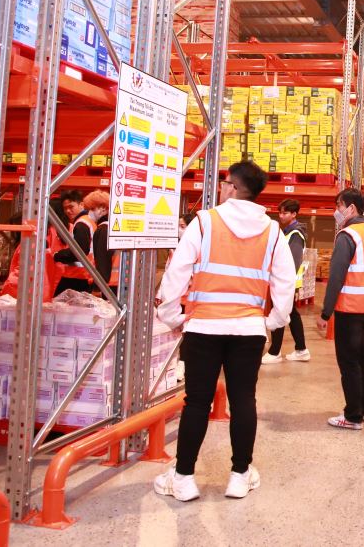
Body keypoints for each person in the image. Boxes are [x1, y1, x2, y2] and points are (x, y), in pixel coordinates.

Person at [153, 161, 295, 501]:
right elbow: (285, 282)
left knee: (197, 402)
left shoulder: (204, 223)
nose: (221, 187)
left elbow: (177, 271)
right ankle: (239, 476)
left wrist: (172, 316)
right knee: (243, 399)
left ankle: (184, 478)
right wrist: (273, 321)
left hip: (203, 326)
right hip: (248, 329)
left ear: (232, 187)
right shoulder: (272, 231)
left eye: (224, 182)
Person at [317, 188, 364, 430]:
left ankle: (353, 416)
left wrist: (326, 312)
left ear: (351, 208)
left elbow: (336, 277)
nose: (336, 211)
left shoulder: (348, 236)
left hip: (351, 308)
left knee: (348, 362)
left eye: (339, 205)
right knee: (360, 357)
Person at [262, 199, 310, 364]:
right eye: (280, 212)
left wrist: (284, 283)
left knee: (280, 311)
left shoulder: (295, 235)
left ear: (294, 214)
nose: (281, 216)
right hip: (287, 282)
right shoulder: (287, 232)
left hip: (287, 283)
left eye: (285, 213)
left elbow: (293, 262)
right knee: (291, 314)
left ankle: (275, 352)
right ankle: (301, 350)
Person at [53, 189, 96, 295]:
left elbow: (79, 251)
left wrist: (58, 255)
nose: (68, 211)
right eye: (65, 208)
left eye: (71, 207)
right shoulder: (88, 221)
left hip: (77, 277)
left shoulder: (81, 224)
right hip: (84, 275)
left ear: (81, 205)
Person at [84, 191, 115, 296]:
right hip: (117, 283)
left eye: (93, 208)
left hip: (108, 286)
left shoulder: (103, 230)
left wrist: (98, 288)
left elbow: (103, 260)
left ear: (104, 209)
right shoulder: (112, 228)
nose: (90, 212)